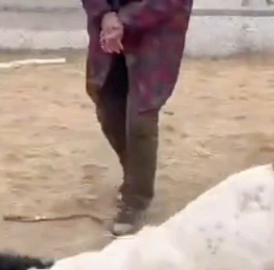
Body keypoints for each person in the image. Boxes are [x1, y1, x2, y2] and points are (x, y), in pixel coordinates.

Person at [81, 0, 193, 235]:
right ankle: (133, 174)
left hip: (157, 29)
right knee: (107, 102)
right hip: (109, 27)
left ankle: (136, 199)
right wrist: (104, 15)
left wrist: (125, 19)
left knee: (141, 115)